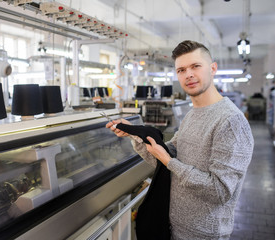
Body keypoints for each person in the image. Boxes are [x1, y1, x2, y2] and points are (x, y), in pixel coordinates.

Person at [106, 40, 254, 240]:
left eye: (195, 66)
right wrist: (135, 133)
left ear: (213, 69)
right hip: (174, 228)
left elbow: (219, 192)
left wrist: (169, 162)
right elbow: (164, 159)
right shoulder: (193, 114)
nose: (188, 74)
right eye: (181, 70)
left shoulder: (230, 122)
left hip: (204, 234)